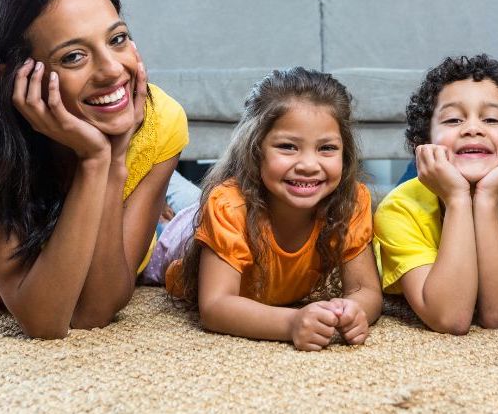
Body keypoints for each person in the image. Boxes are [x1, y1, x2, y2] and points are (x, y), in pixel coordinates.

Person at [0, 0, 189, 339]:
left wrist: (112, 163)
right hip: (51, 180)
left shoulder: (162, 119)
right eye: (73, 56)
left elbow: (96, 309)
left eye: (117, 39)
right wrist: (95, 159)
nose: (113, 70)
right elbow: (45, 320)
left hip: (135, 170)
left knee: (211, 217)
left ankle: (168, 209)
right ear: (16, 74)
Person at [162, 67, 382, 351]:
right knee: (168, 211)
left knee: (187, 197)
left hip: (214, 210)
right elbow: (215, 306)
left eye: (326, 148)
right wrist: (291, 323)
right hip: (178, 237)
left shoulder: (350, 201)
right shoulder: (228, 206)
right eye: (288, 147)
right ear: (255, 151)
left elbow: (366, 291)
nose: (308, 165)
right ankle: (164, 182)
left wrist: (352, 310)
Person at [374, 55, 498, 334]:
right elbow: (451, 317)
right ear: (424, 144)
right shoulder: (398, 209)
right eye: (452, 119)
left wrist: (486, 199)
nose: (473, 128)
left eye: (491, 119)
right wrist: (457, 198)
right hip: (423, 189)